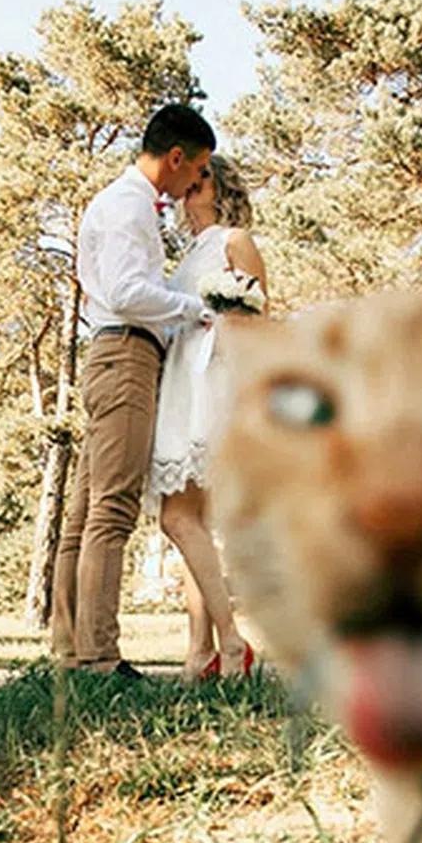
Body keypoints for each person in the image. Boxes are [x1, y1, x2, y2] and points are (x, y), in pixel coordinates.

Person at [51, 104, 217, 680]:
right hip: (125, 354)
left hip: (112, 352)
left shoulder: (128, 204)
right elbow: (125, 291)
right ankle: (99, 658)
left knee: (84, 512)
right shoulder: (127, 206)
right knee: (112, 508)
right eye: (196, 172)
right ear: (176, 157)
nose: (194, 184)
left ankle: (69, 650)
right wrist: (195, 308)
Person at [145, 154, 267, 681]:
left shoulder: (234, 240)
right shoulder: (187, 254)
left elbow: (258, 322)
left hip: (212, 383)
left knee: (178, 518)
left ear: (222, 188)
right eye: (190, 178)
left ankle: (233, 642)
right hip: (179, 381)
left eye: (205, 178)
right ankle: (199, 654)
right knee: (191, 522)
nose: (192, 185)